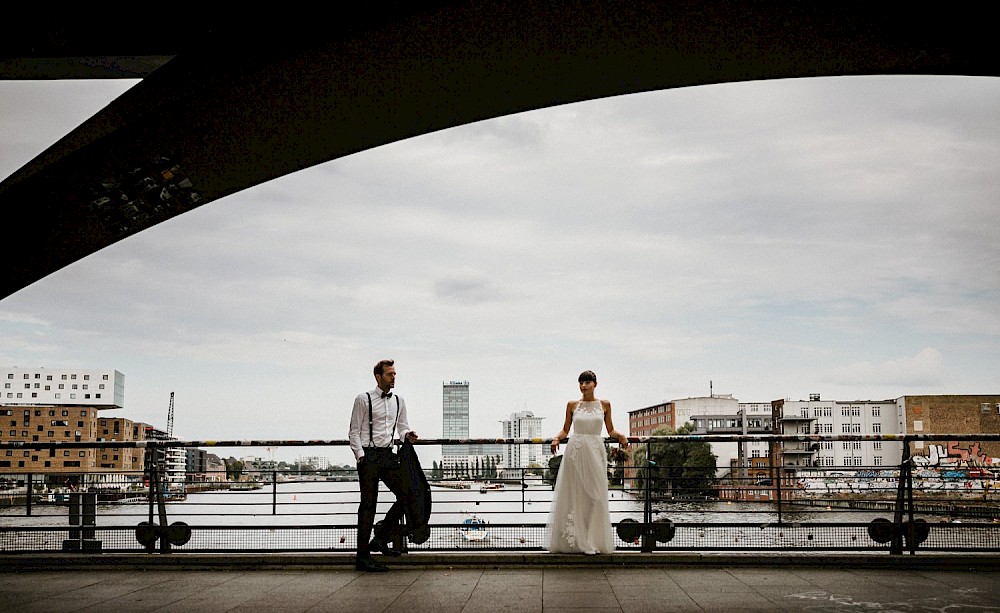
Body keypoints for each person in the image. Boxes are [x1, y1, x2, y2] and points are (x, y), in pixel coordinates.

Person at [547, 370, 628, 555]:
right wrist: (556, 439)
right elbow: (565, 430)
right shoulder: (572, 405)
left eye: (587, 383)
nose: (583, 386)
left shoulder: (605, 404)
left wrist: (621, 436)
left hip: (595, 451)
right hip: (576, 451)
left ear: (595, 384)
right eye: (581, 383)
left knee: (595, 497)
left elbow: (610, 430)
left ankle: (590, 539)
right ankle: (579, 542)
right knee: (575, 495)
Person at [348, 359, 418, 572]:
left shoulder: (398, 400)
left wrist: (408, 435)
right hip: (369, 457)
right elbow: (354, 431)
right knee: (368, 506)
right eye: (389, 374)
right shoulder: (363, 399)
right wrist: (360, 456)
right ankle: (363, 558)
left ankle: (380, 538)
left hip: (388, 456)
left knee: (408, 495)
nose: (394, 377)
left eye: (395, 374)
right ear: (378, 377)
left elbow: (402, 426)